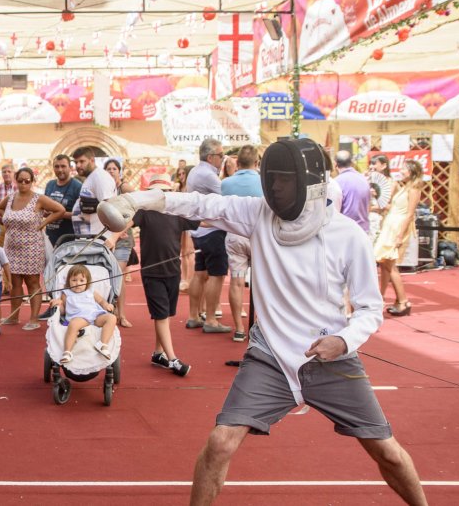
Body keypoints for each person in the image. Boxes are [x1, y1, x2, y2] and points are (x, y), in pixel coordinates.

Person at [97, 138, 426, 506]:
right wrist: (136, 200)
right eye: (274, 178)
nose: (275, 187)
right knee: (220, 443)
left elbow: (370, 308)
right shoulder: (258, 214)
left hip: (329, 359)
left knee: (388, 452)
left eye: (285, 180)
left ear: (311, 183)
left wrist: (344, 341)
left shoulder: (348, 235)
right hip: (269, 358)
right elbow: (199, 203)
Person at [129, 174, 194, 376]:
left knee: (165, 315)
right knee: (161, 316)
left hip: (172, 271)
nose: (161, 196)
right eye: (156, 192)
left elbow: (203, 222)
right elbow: (127, 223)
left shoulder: (177, 212)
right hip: (152, 272)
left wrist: (231, 223)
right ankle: (172, 359)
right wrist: (112, 237)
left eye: (164, 192)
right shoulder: (144, 212)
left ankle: (158, 353)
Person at [0, 167, 66, 330]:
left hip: (32, 247)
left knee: (32, 282)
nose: (24, 184)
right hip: (11, 247)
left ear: (32, 182)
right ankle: (14, 316)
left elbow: (60, 210)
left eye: (27, 181)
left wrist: (43, 223)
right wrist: (5, 221)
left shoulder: (39, 199)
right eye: (20, 181)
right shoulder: (10, 198)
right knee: (15, 282)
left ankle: (33, 318)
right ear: (15, 181)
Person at [186, 139, 230, 335]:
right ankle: (211, 319)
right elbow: (227, 198)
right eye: (221, 155)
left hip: (198, 230)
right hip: (211, 229)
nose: (223, 159)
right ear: (211, 157)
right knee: (217, 275)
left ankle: (194, 316)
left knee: (200, 273)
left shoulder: (195, 171)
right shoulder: (209, 175)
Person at [220, 145, 262, 343]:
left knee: (236, 281)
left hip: (235, 234)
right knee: (262, 282)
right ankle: (260, 325)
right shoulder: (263, 181)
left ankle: (238, 328)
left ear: (238, 163)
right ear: (256, 162)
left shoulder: (226, 183)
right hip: (259, 236)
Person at [372, 159, 423, 317]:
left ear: (412, 172)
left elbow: (409, 214)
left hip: (397, 228)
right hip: (390, 225)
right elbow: (392, 207)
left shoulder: (414, 189)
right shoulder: (403, 187)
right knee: (385, 262)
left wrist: (400, 235)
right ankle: (392, 299)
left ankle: (403, 301)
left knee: (390, 264)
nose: (401, 171)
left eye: (404, 169)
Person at [51, 264, 117, 363]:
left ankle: (103, 344)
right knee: (73, 324)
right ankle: (67, 351)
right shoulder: (66, 293)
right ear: (69, 281)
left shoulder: (91, 291)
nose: (78, 283)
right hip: (80, 318)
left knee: (111, 318)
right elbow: (63, 311)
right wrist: (59, 304)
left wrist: (107, 305)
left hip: (95, 316)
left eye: (81, 280)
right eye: (74, 280)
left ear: (87, 282)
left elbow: (101, 301)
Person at [102, 158, 135, 328]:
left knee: (118, 274)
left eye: (114, 168)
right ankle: (110, 311)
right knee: (107, 275)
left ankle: (122, 315)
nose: (111, 171)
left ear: (119, 171)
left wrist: (121, 230)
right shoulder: (103, 189)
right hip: (105, 239)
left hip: (123, 239)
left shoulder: (125, 188)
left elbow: (138, 209)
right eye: (108, 168)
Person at [43, 154, 82, 247]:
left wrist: (59, 213)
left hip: (69, 240)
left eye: (63, 166)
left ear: (70, 168)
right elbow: (44, 209)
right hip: (49, 238)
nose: (60, 170)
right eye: (57, 166)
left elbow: (81, 216)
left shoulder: (78, 187)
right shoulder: (50, 185)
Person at [334, 150, 371, 233]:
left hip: (347, 231)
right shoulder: (363, 179)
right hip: (364, 230)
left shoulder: (336, 182)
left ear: (335, 164)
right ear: (352, 163)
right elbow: (369, 207)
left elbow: (334, 212)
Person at [367, 155, 393, 243]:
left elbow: (385, 204)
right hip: (368, 218)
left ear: (384, 166)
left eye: (374, 164)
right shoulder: (368, 180)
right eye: (370, 164)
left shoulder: (390, 182)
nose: (371, 166)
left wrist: (369, 208)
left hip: (382, 218)